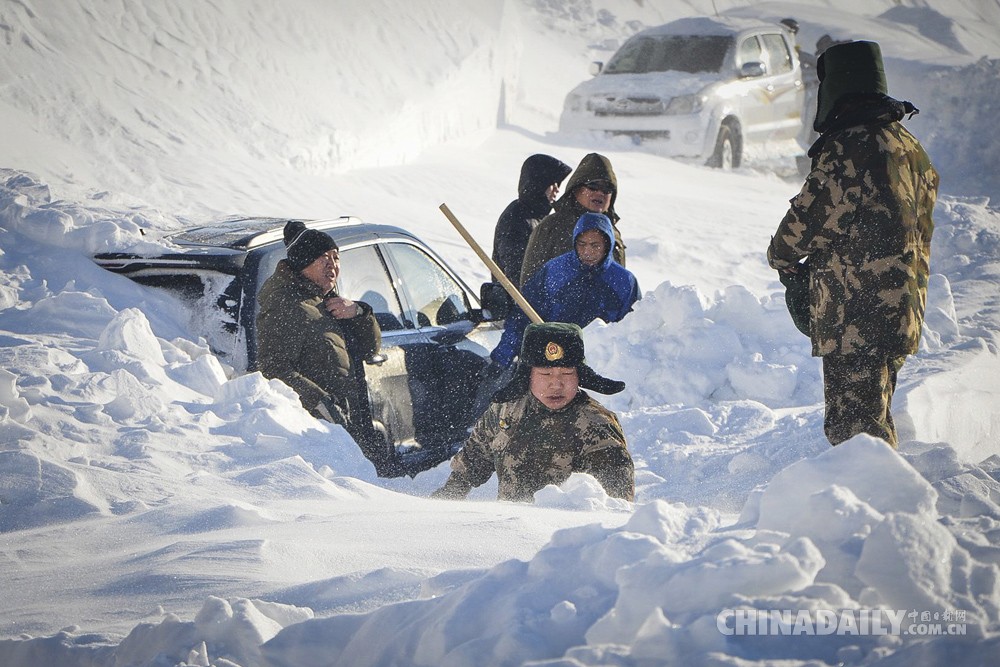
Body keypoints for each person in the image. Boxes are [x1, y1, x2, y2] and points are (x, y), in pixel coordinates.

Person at [766, 40, 939, 449]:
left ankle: (869, 507)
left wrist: (780, 257)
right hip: (900, 307)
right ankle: (879, 501)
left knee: (856, 435)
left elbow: (804, 224)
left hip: (857, 312)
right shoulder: (909, 146)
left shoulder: (852, 147)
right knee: (873, 419)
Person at [257, 220, 401, 476]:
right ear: (304, 262)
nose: (332, 265)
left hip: (349, 420)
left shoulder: (324, 301)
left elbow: (370, 350)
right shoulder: (286, 306)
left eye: (336, 257)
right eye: (323, 258)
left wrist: (358, 312)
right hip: (318, 436)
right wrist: (322, 404)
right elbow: (273, 369)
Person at [432, 322, 635, 502]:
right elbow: (472, 461)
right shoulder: (505, 412)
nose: (556, 384)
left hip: (565, 539)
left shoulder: (597, 425)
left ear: (580, 376)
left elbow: (615, 504)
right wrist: (444, 503)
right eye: (545, 373)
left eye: (566, 373)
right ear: (527, 376)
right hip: (509, 531)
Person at [490, 212, 640, 370]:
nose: (587, 252)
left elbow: (636, 332)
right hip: (549, 364)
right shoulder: (554, 271)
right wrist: (501, 358)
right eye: (582, 244)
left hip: (600, 368)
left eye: (595, 246)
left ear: (607, 245)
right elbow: (522, 316)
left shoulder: (624, 282)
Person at [519, 153, 625, 286]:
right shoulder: (551, 227)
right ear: (576, 189)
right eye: (593, 186)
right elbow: (530, 285)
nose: (600, 193)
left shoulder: (613, 234)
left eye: (607, 188)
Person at [491, 154, 572, 285]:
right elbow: (517, 274)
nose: (557, 190)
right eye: (553, 183)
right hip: (518, 303)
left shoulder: (536, 217)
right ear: (539, 183)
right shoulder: (517, 219)